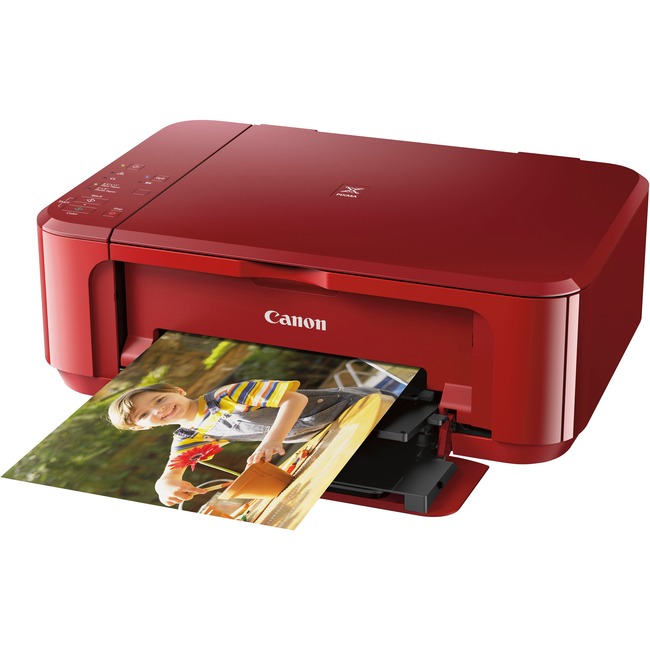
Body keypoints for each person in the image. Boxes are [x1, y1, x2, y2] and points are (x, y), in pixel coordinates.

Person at [108, 379, 384, 507]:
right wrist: (165, 487)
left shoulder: (228, 395)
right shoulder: (190, 435)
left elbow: (295, 399)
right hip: (337, 431)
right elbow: (171, 473)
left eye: (159, 399)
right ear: (142, 428)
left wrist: (272, 440)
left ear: (178, 390)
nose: (158, 409)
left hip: (362, 406)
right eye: (144, 415)